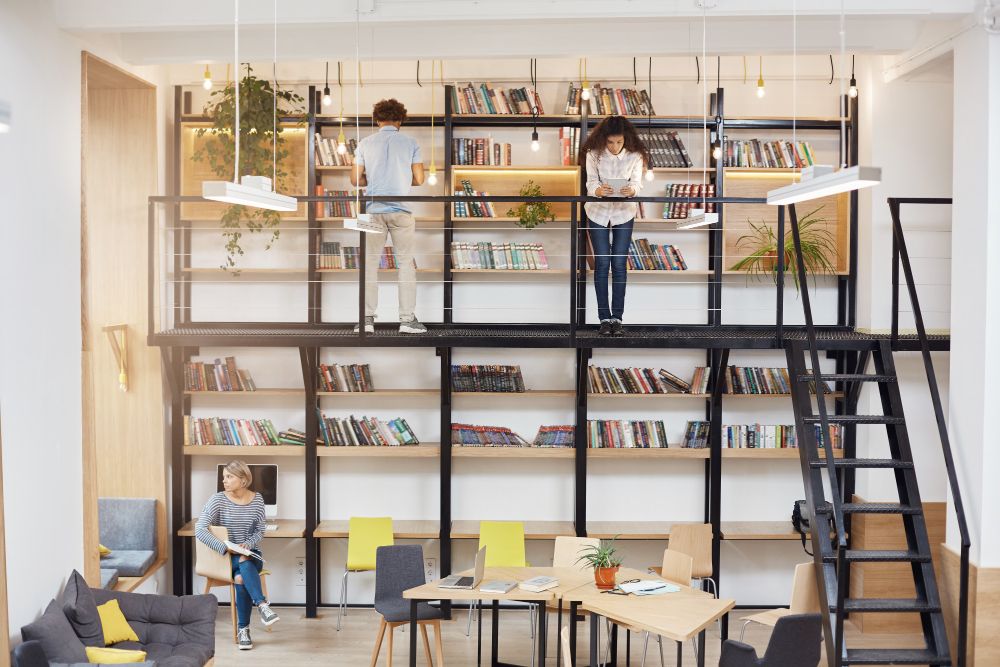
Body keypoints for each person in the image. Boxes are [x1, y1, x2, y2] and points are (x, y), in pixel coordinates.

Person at [350, 98, 426, 334]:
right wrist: (402, 179)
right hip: (402, 211)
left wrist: (371, 180)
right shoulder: (411, 142)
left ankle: (366, 321)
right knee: (405, 265)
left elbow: (355, 180)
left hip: (372, 211)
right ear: (400, 120)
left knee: (369, 266)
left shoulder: (364, 143)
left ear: (377, 119)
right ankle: (406, 321)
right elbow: (420, 179)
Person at [579, 115, 650, 336]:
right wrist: (599, 191)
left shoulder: (635, 155)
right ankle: (604, 320)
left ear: (626, 138)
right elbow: (591, 183)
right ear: (603, 139)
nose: (615, 146)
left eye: (619, 142)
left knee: (619, 265)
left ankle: (617, 319)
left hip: (624, 212)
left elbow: (638, 182)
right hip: (597, 212)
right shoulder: (593, 154)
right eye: (610, 142)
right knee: (601, 265)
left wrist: (633, 191)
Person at [196, 461, 278, 650]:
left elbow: (259, 531)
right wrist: (224, 548)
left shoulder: (257, 499)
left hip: (251, 553)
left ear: (243, 479)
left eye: (229, 477)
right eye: (224, 476)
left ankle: (244, 631)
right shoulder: (217, 499)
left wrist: (247, 544)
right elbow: (200, 529)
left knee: (242, 574)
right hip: (224, 557)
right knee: (242, 564)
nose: (223, 480)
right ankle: (262, 606)